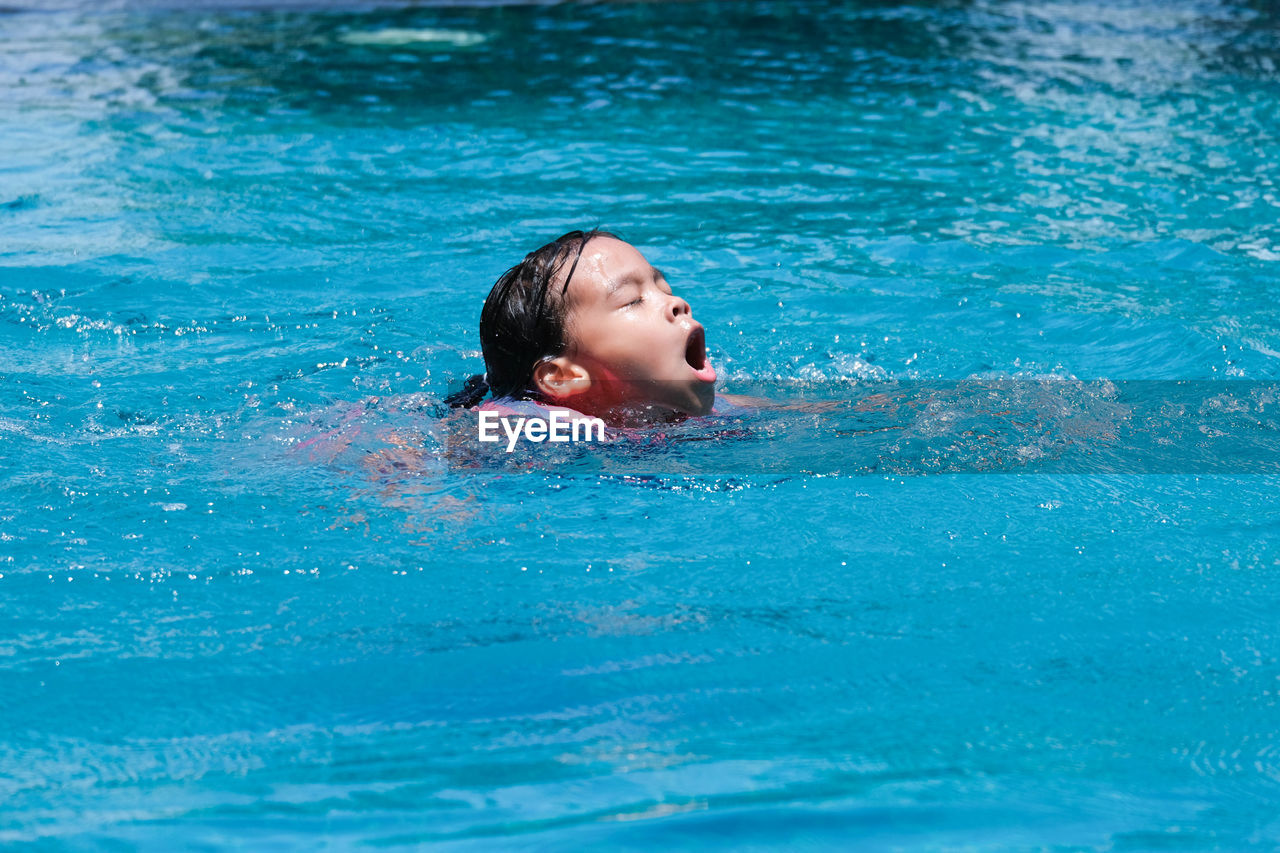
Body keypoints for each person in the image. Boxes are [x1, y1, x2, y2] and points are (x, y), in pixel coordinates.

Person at [446, 229, 720, 426]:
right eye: (633, 301)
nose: (677, 302)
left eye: (664, 288)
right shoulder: (529, 428)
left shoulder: (706, 411)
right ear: (562, 377)